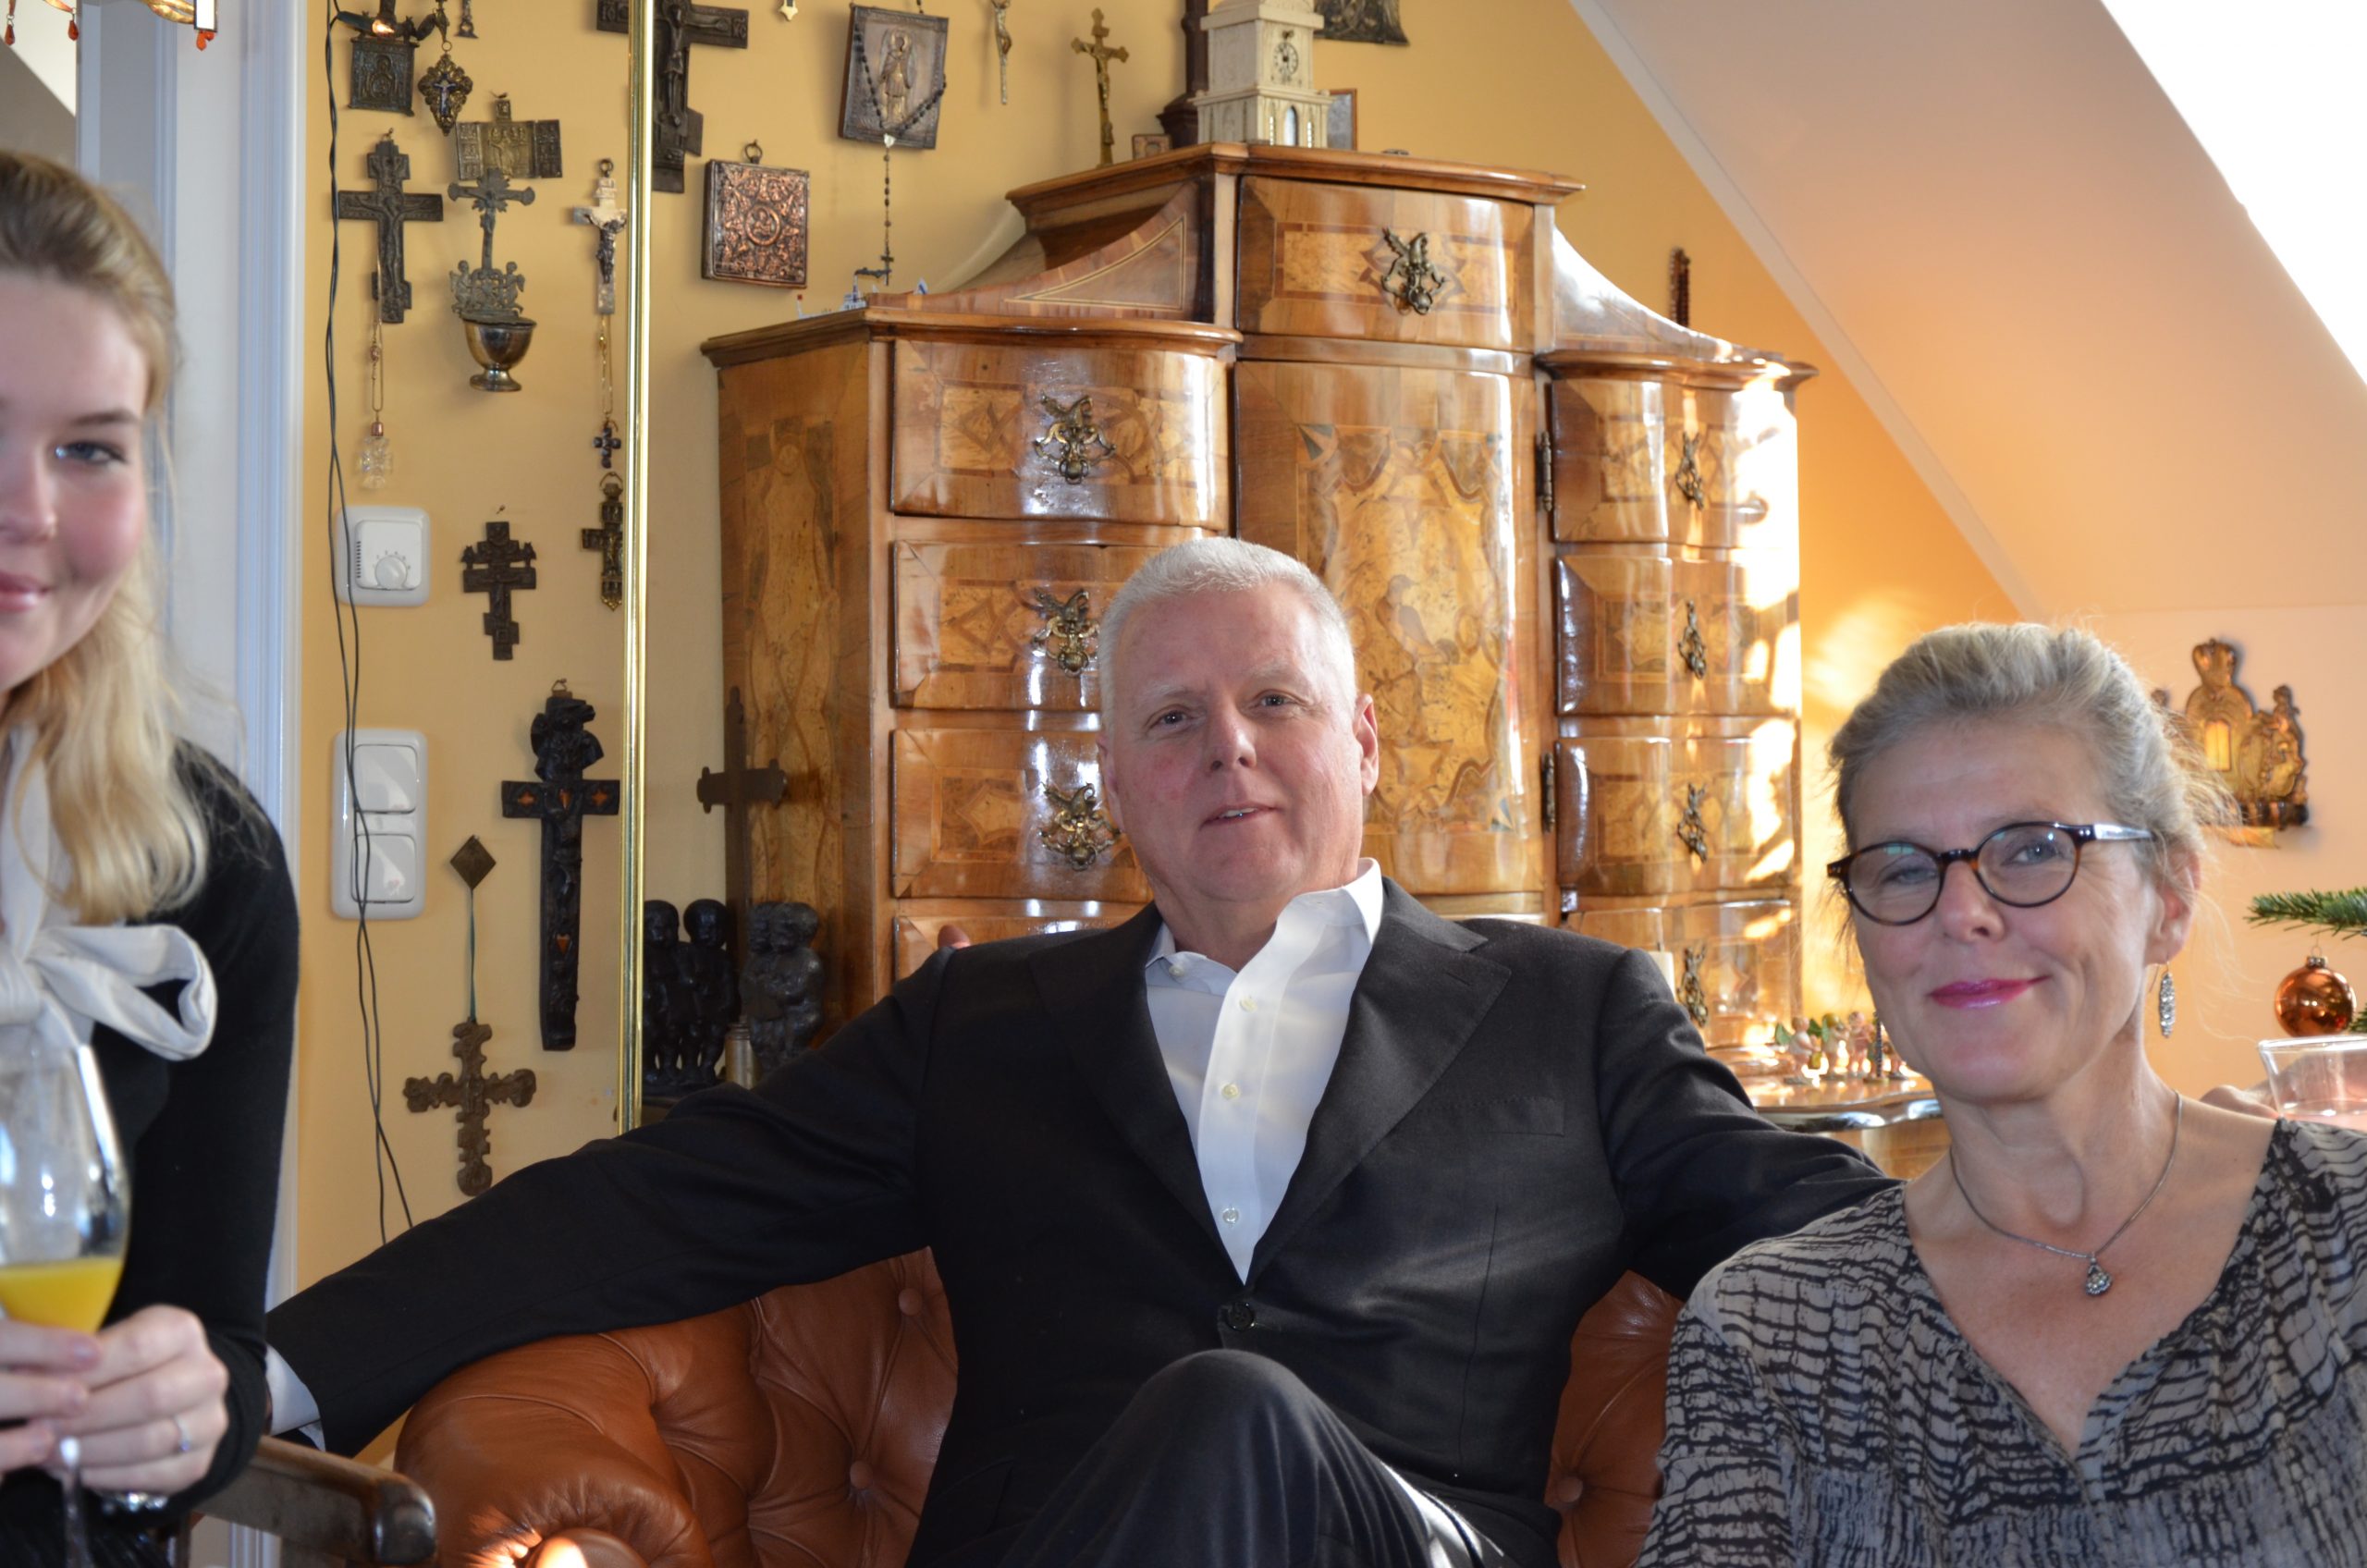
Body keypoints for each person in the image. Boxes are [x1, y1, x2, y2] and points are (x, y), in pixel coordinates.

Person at [265, 537, 1888, 1568]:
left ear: (1365, 740)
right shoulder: (981, 1028)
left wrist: (2046, 1238)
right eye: (1172, 719)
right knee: (1212, 1415)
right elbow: (653, 1203)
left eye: (1275, 700)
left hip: (1412, 1543)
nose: (1228, 747)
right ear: (1113, 784)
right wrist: (274, 1372)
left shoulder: (1571, 1011)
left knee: (1237, 1410)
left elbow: (1802, 1225)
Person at [1639, 623, 2364, 1566]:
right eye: (1905, 867)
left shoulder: (2343, 1234)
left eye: (2030, 850)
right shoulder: (1771, 1332)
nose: (1961, 912)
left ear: (2171, 896)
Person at [0, 152, 300, 1564]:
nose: (30, 510)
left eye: (90, 448)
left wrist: (193, 1409)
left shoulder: (206, 867)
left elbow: (217, 1336)